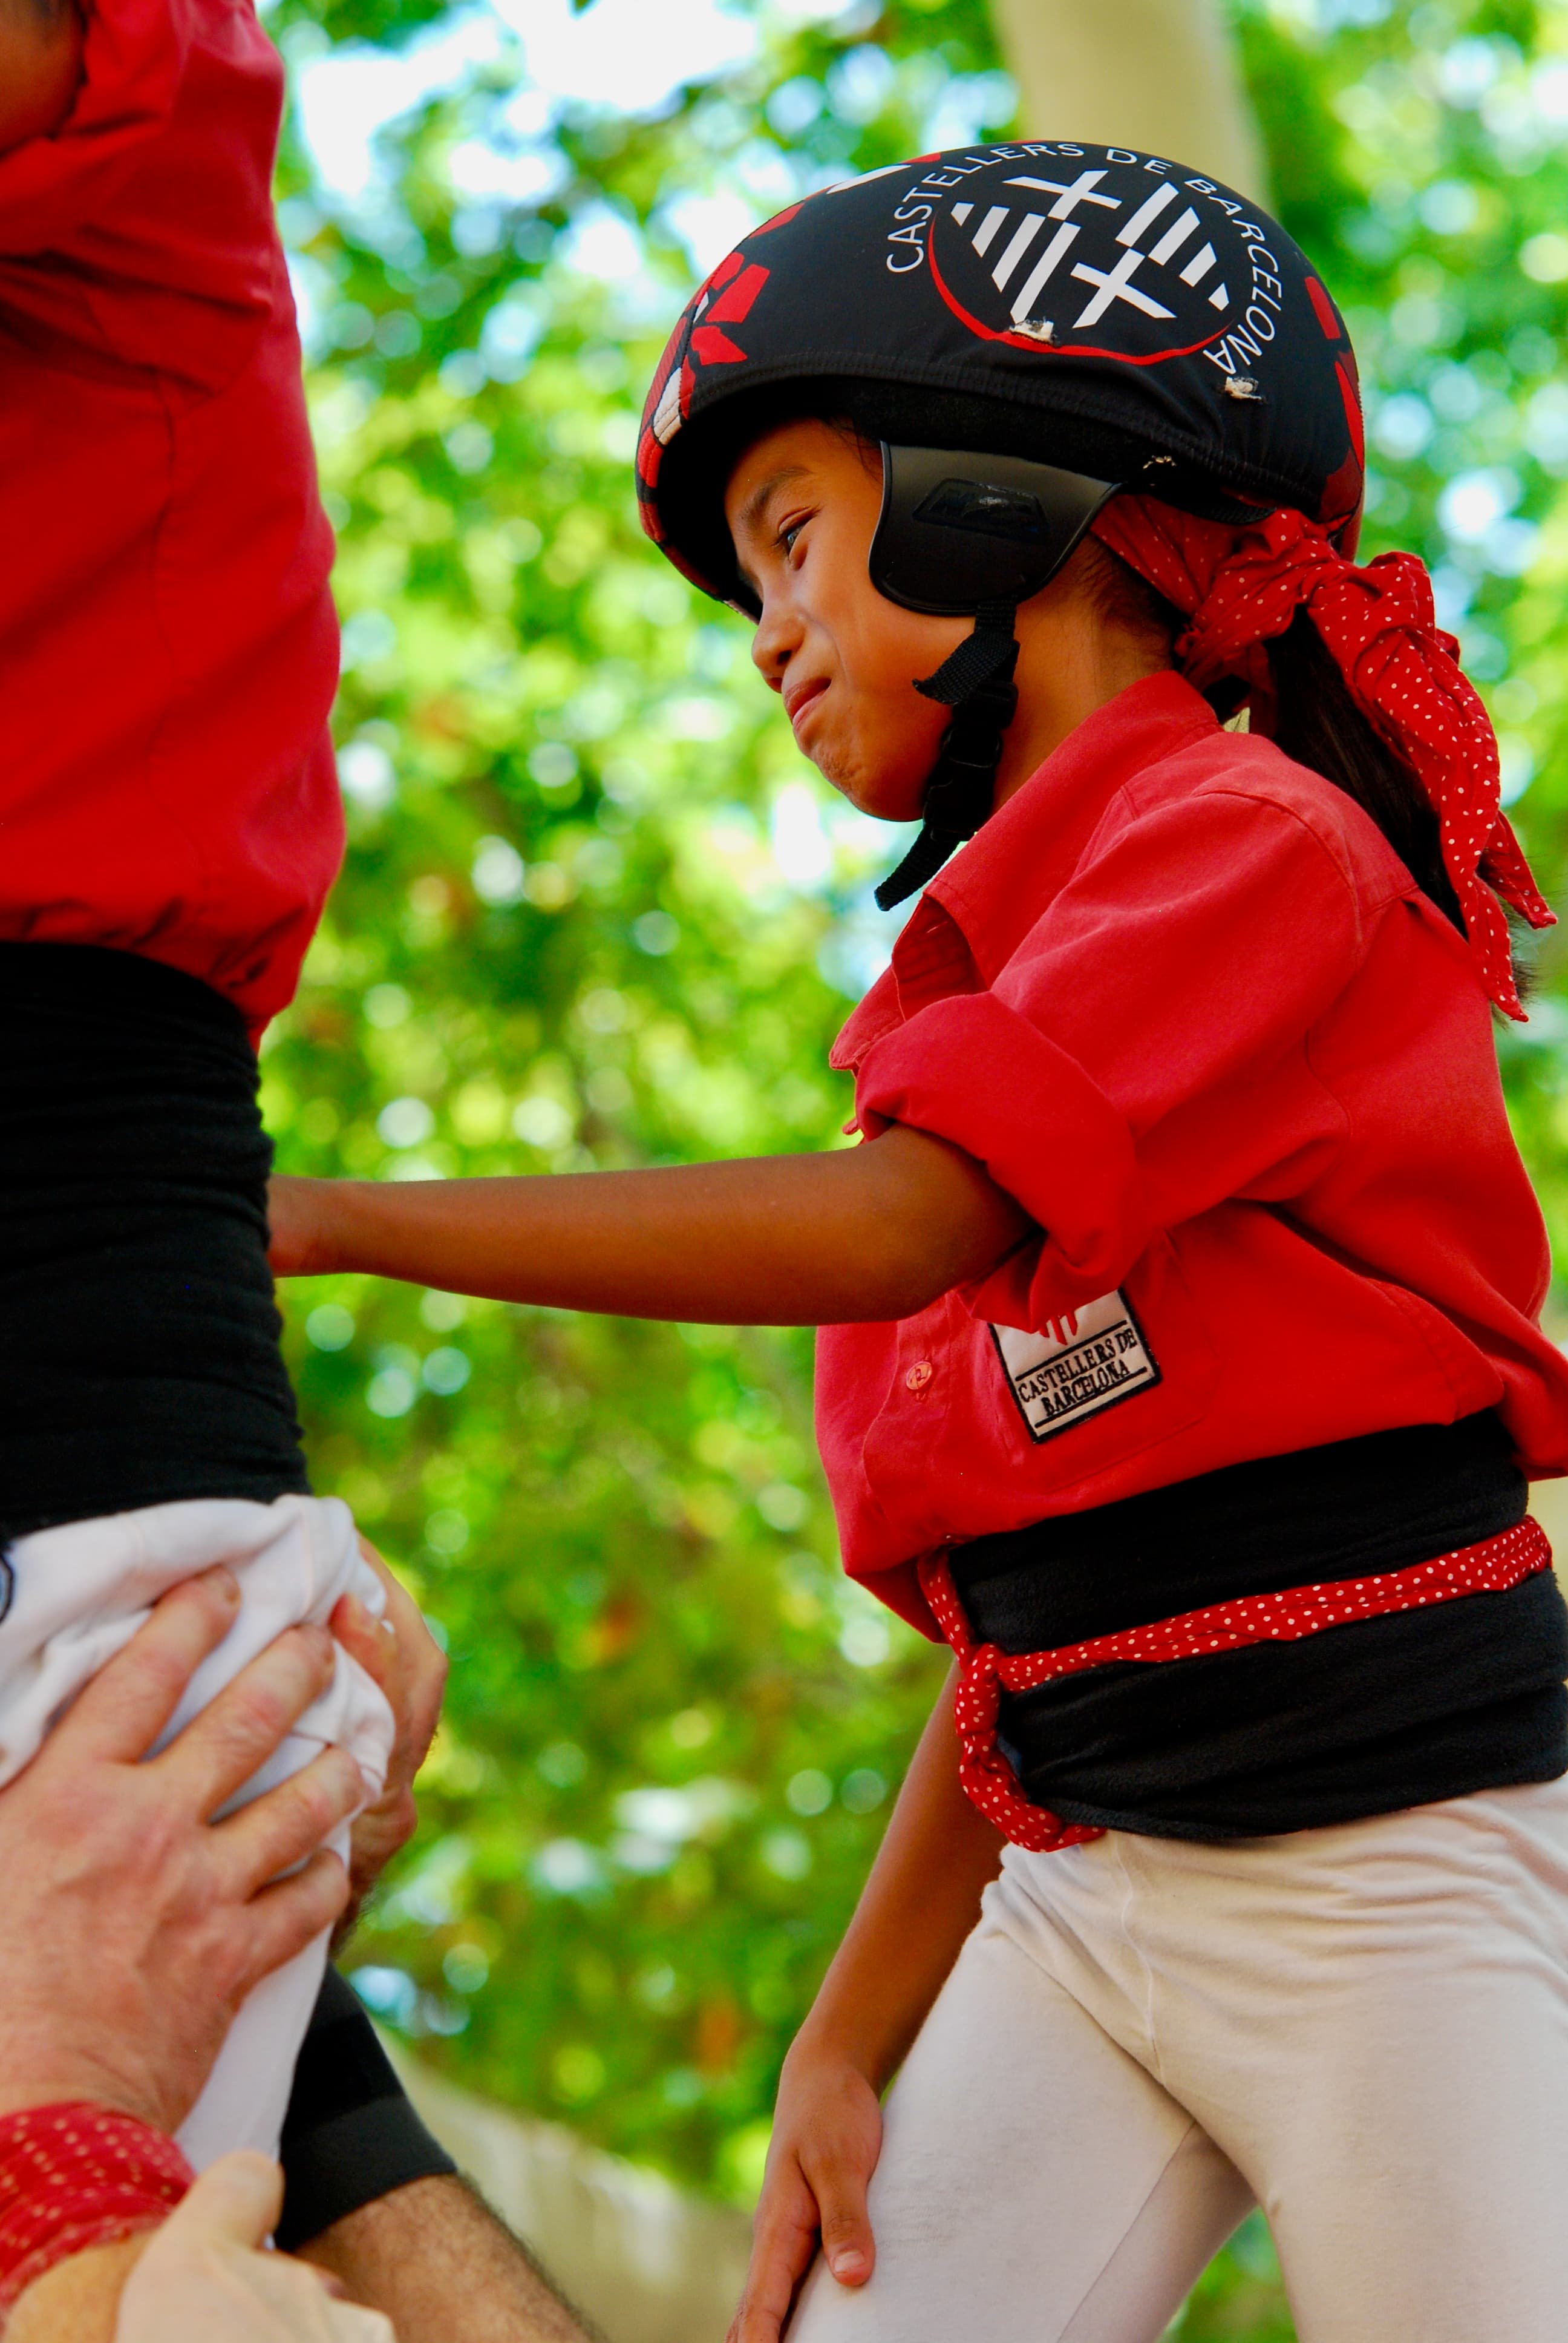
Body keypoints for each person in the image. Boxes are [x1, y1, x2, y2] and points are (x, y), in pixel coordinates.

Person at [270, 140, 1568, 2342]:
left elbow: (902, 1228)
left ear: (995, 493)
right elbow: (1050, 1624)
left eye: (789, 540)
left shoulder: (1248, 843)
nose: (766, 632)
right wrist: (848, 2039)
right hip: (1087, 1899)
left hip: (1396, 1874)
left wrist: (315, 1219)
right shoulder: (991, 992)